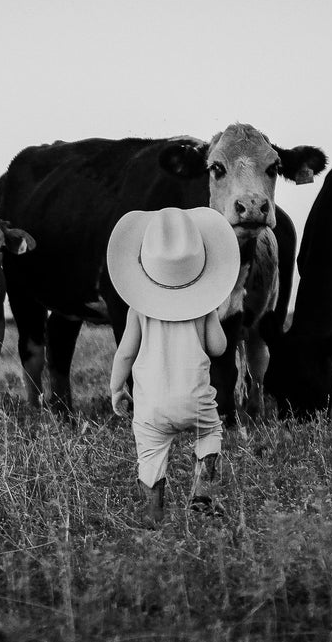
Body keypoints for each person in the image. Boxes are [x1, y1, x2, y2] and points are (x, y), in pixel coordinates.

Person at [107, 206, 240, 526]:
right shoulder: (204, 308)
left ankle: (154, 509)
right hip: (195, 400)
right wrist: (213, 313)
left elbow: (124, 354)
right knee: (210, 432)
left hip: (151, 405)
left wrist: (115, 389)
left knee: (151, 452)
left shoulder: (138, 310)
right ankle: (201, 495)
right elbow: (219, 347)